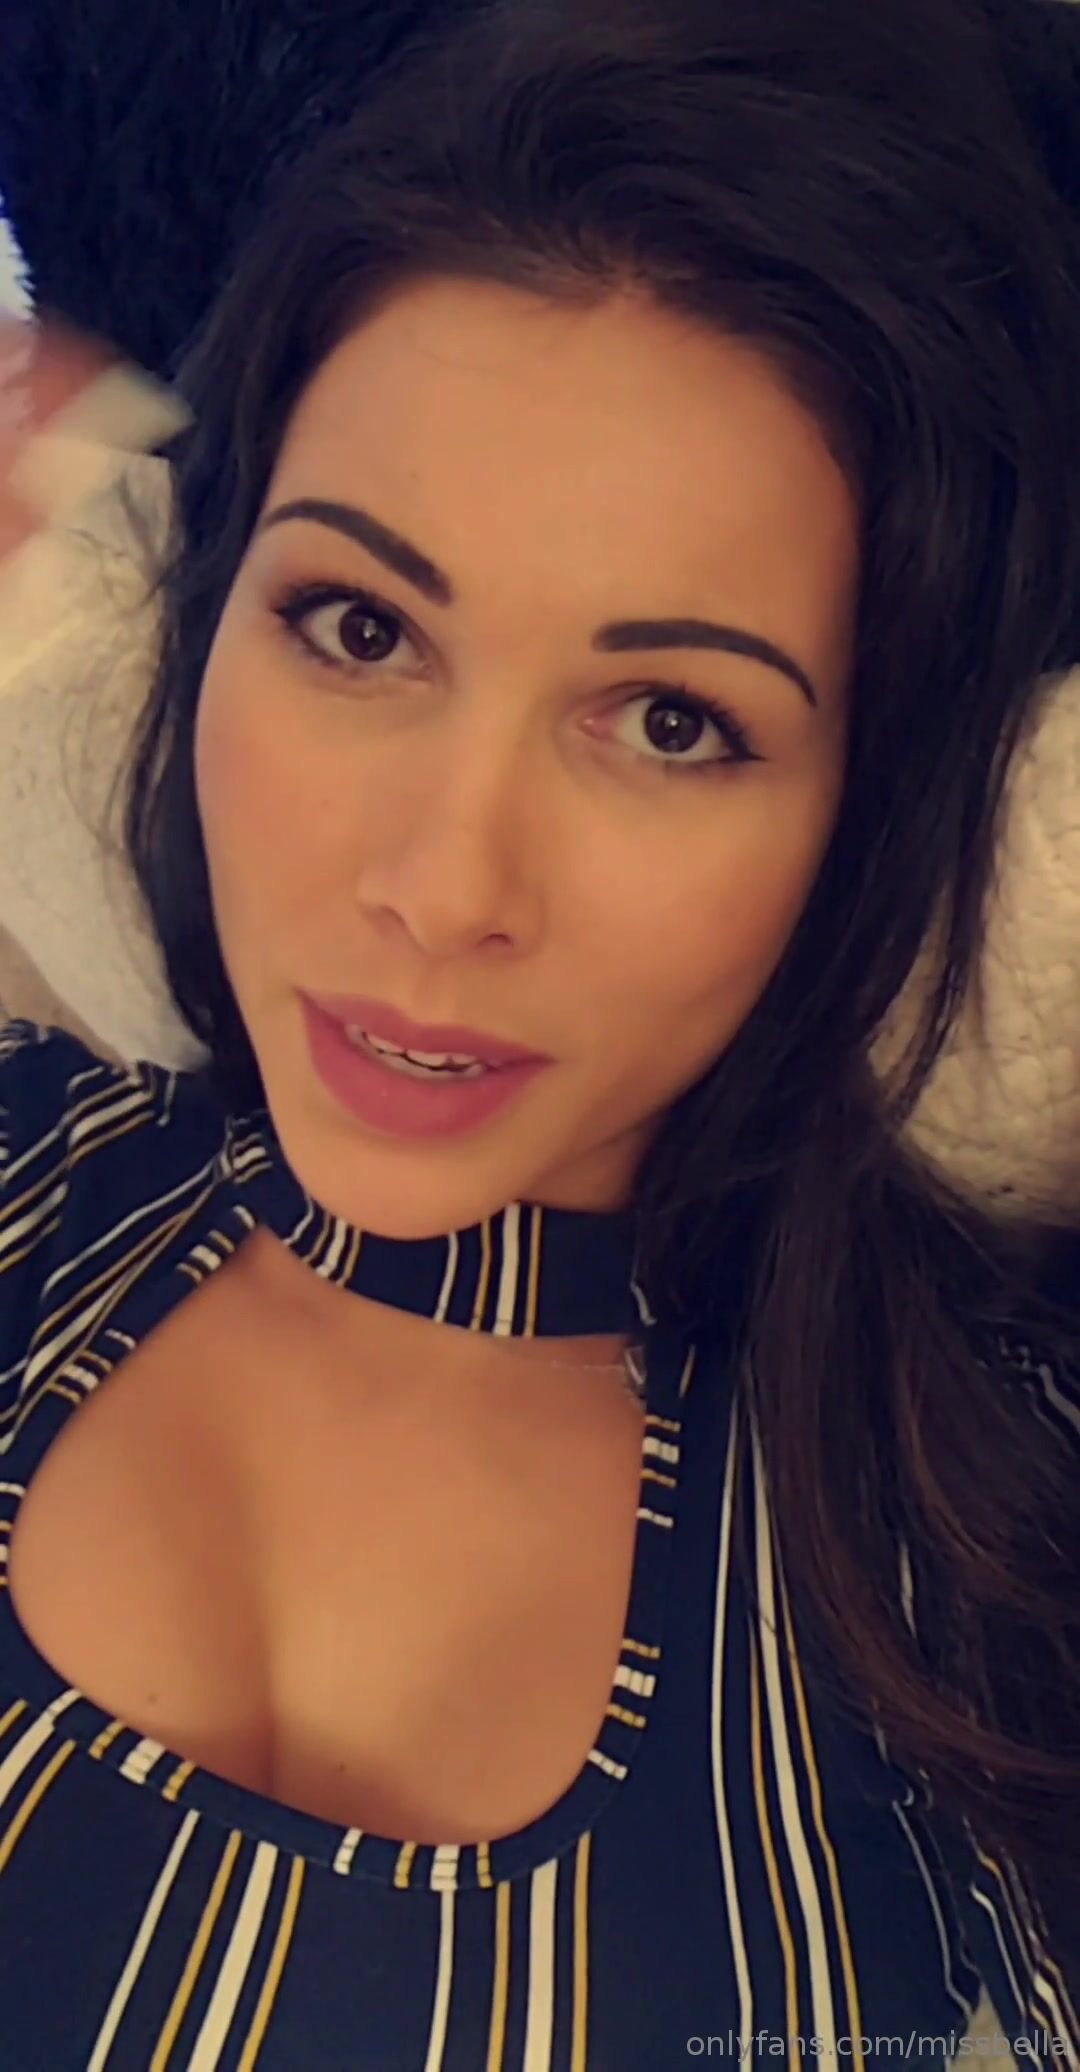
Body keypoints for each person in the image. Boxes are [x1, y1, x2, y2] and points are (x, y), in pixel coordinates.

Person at [0, 0, 1078, 2063]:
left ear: (885, 806)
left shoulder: (1013, 1547)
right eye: (359, 625)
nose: (444, 885)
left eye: (672, 720)